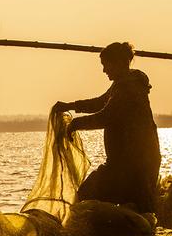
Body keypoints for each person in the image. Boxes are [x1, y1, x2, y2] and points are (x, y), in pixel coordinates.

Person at [53, 42, 161, 214]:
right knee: (135, 207)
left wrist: (76, 124)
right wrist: (71, 105)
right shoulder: (122, 83)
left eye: (106, 65)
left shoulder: (129, 87)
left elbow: (106, 117)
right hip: (126, 162)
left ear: (118, 62)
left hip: (135, 163)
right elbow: (100, 102)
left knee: (88, 195)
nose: (104, 70)